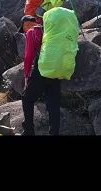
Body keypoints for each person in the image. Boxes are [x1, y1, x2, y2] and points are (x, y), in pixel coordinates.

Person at [21, 7, 79, 136]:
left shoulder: (33, 32)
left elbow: (29, 55)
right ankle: (54, 133)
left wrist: (26, 75)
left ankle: (28, 131)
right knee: (53, 104)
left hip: (42, 68)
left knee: (27, 98)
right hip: (57, 68)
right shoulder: (54, 31)